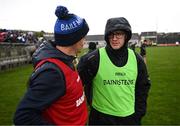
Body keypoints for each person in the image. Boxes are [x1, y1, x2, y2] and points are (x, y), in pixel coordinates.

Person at [13, 5, 89, 125]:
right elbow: (23, 116)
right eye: (83, 36)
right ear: (74, 39)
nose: (85, 40)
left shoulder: (66, 59)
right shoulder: (52, 72)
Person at [77, 17, 151, 125]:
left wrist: (138, 114)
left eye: (119, 34)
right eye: (111, 34)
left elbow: (143, 87)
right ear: (107, 36)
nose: (114, 38)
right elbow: (77, 86)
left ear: (126, 35)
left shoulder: (137, 59)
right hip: (101, 118)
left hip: (129, 118)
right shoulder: (93, 59)